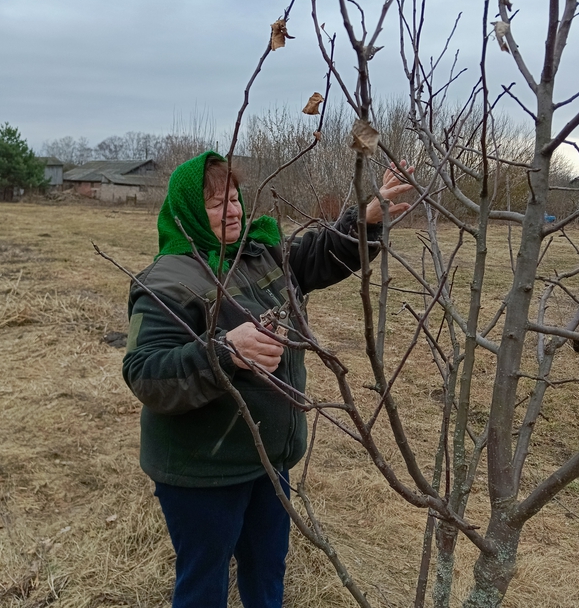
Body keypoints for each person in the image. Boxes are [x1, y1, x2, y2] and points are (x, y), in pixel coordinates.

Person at [121, 150, 412, 608]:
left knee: (266, 573)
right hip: (204, 471)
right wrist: (225, 350)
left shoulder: (257, 253)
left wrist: (364, 221)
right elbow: (145, 375)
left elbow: (318, 255)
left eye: (234, 198)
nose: (232, 209)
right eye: (216, 204)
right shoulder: (166, 282)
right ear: (189, 213)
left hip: (268, 461)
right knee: (204, 587)